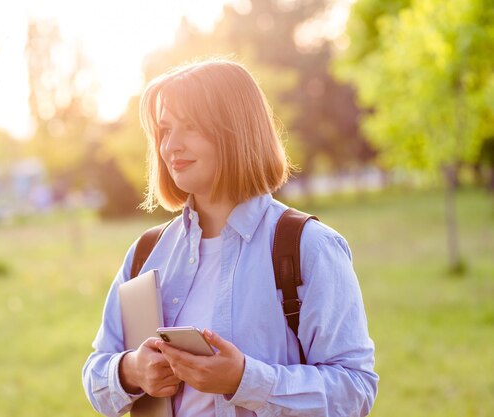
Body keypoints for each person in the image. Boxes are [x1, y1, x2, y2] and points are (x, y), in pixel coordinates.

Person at [82, 58, 378, 417]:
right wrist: (131, 370)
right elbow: (96, 373)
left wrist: (243, 380)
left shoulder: (309, 247)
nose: (170, 146)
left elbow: (356, 391)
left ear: (235, 131)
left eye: (189, 126)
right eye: (164, 130)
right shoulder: (147, 252)